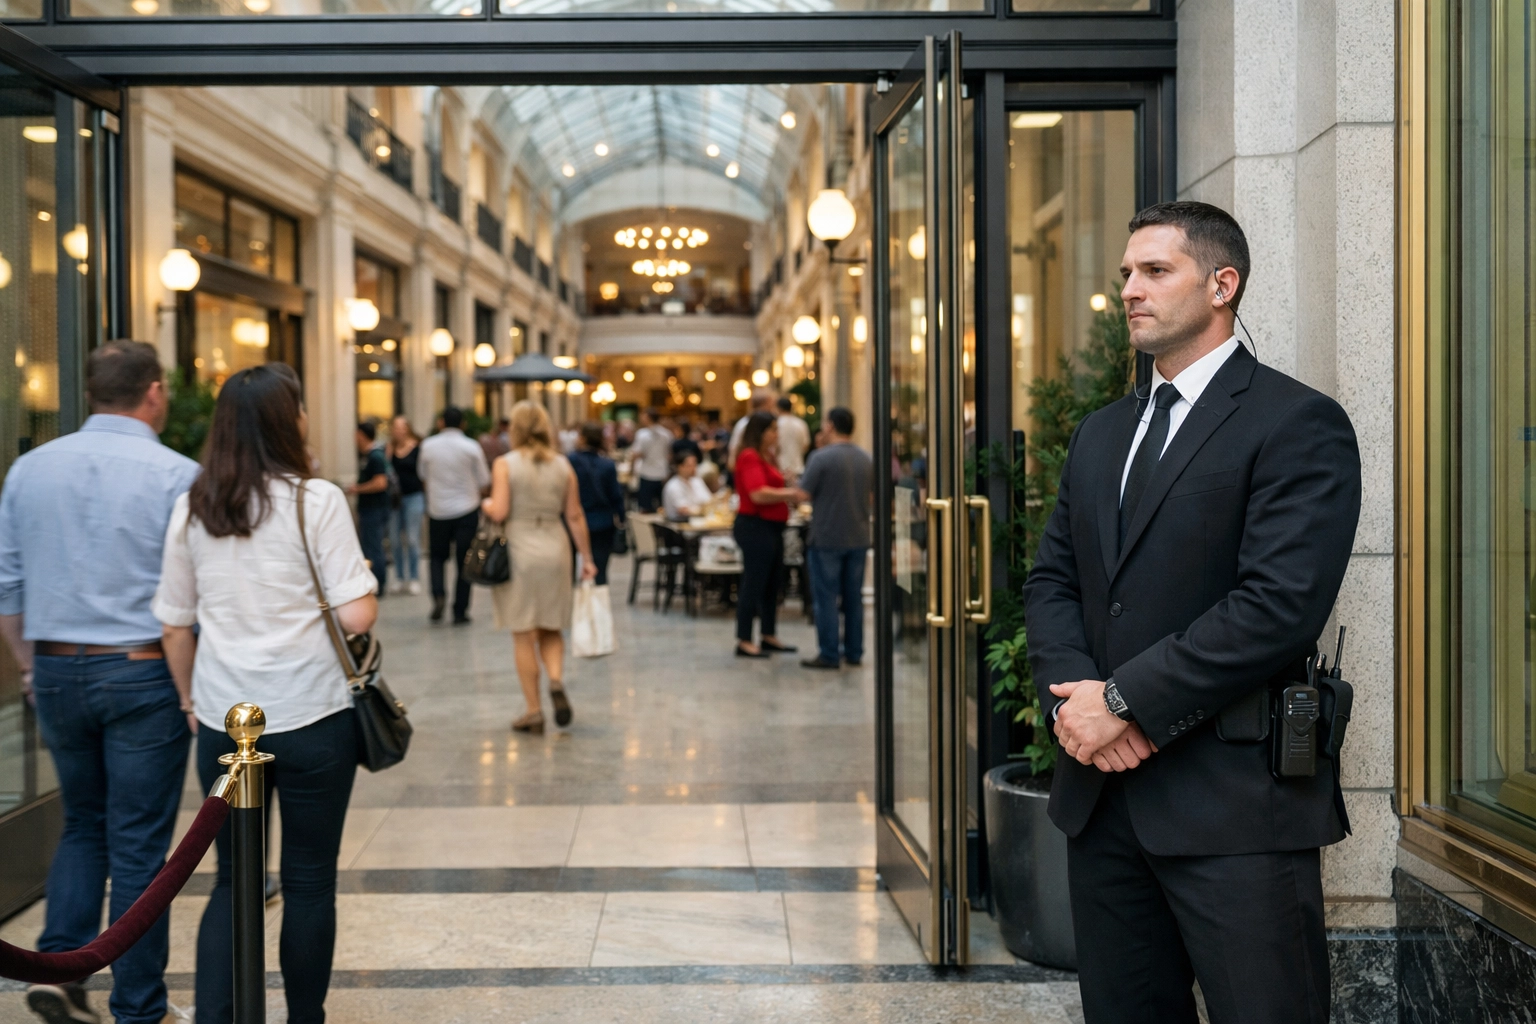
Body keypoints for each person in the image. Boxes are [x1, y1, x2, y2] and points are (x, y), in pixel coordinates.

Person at [1022, 201, 1361, 1024]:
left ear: (1222, 284)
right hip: (1101, 804)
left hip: (1234, 809)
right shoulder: (1100, 435)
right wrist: (1081, 705)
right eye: (1127, 274)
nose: (1130, 290)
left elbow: (1277, 606)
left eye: (1154, 271)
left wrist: (1126, 702)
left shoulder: (1296, 422)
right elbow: (1052, 582)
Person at [153, 364, 379, 1024]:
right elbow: (357, 616)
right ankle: (304, 1017)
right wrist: (359, 576)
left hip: (226, 718)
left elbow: (173, 622)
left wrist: (191, 702)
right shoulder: (317, 499)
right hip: (312, 715)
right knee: (310, 880)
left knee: (232, 881)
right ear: (290, 421)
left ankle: (218, 1017)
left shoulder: (194, 505)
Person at [0, 340, 199, 1024]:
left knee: (82, 821)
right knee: (140, 840)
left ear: (90, 392)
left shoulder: (28, 470)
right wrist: (190, 686)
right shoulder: (178, 474)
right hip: (143, 670)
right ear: (152, 391)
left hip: (55, 667)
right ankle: (139, 1004)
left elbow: (9, 587)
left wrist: (31, 664)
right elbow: (193, 593)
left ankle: (59, 966)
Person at [481, 401, 597, 734]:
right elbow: (574, 515)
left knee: (523, 633)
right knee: (551, 627)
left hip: (519, 547)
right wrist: (586, 559)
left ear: (514, 429)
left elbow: (500, 511)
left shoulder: (505, 464)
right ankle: (557, 680)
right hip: (555, 546)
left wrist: (487, 503)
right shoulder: (563, 465)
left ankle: (533, 710)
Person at [797, 407, 872, 670]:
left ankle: (829, 652)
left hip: (827, 536)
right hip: (859, 535)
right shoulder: (866, 458)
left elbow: (803, 494)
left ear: (829, 426)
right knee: (854, 598)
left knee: (826, 597)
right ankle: (854, 651)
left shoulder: (821, 458)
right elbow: (873, 497)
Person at [732, 411, 807, 658]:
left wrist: (784, 482)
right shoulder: (749, 456)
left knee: (773, 584)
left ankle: (768, 634)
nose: (777, 434)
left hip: (772, 526)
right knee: (754, 583)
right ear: (760, 432)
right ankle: (744, 639)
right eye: (772, 429)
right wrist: (790, 494)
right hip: (755, 526)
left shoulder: (769, 456)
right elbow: (757, 494)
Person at [418, 406, 491, 625]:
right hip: (466, 510)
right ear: (463, 424)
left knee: (437, 558)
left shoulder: (428, 446)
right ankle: (460, 610)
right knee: (464, 562)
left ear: (441, 422)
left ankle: (438, 594)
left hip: (438, 510)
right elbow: (484, 480)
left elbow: (422, 474)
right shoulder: (471, 447)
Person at [569, 422, 626, 585]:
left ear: (582, 438)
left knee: (569, 569)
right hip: (601, 521)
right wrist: (621, 517)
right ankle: (598, 603)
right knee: (599, 567)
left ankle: (573, 601)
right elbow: (615, 495)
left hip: (574, 519)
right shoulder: (607, 464)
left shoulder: (570, 460)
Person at [347, 420, 390, 596]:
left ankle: (378, 582)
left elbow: (381, 483)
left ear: (361, 435)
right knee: (370, 545)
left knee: (374, 547)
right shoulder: (368, 455)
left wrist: (357, 489)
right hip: (370, 508)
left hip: (375, 508)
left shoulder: (375, 456)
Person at [387, 415, 424, 595]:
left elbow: (423, 473)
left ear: (408, 428)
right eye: (396, 427)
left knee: (412, 538)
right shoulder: (390, 448)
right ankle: (400, 577)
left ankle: (414, 577)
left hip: (414, 496)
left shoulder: (418, 447)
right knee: (394, 540)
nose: (399, 430)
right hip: (395, 500)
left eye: (402, 427)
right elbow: (386, 469)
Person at [631, 408, 672, 513]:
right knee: (662, 506)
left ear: (648, 418)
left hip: (647, 473)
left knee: (645, 507)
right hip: (662, 473)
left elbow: (636, 454)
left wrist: (631, 470)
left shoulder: (642, 434)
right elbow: (669, 455)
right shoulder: (667, 434)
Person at [728, 389, 777, 470]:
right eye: (770, 405)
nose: (772, 409)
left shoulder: (768, 422)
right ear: (763, 405)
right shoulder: (744, 424)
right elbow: (733, 455)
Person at [663, 451, 714, 521]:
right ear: (680, 467)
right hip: (680, 525)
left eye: (695, 465)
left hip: (699, 522)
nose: (694, 468)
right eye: (689, 465)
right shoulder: (673, 486)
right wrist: (702, 509)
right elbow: (683, 510)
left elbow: (710, 501)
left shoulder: (697, 481)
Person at [774, 395, 812, 484]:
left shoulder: (776, 424)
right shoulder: (801, 423)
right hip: (798, 467)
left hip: (780, 468)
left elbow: (775, 448)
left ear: (778, 408)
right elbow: (806, 446)